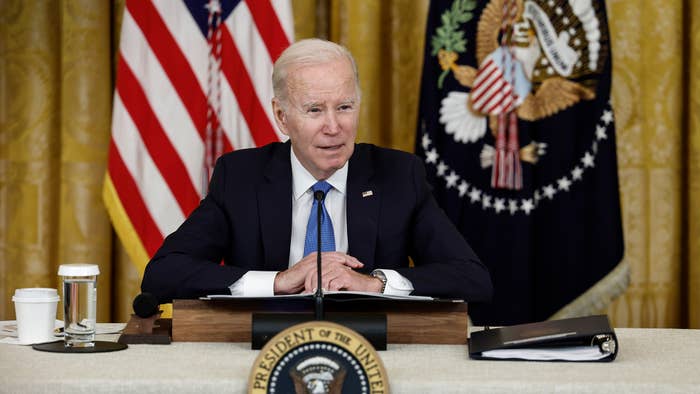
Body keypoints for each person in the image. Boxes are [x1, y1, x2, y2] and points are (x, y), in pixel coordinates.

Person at [141, 38, 493, 304]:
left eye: (344, 107)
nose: (333, 126)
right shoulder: (241, 177)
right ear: (282, 117)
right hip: (262, 348)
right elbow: (163, 274)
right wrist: (279, 281)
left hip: (374, 349)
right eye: (314, 110)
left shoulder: (399, 175)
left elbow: (472, 279)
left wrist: (374, 284)